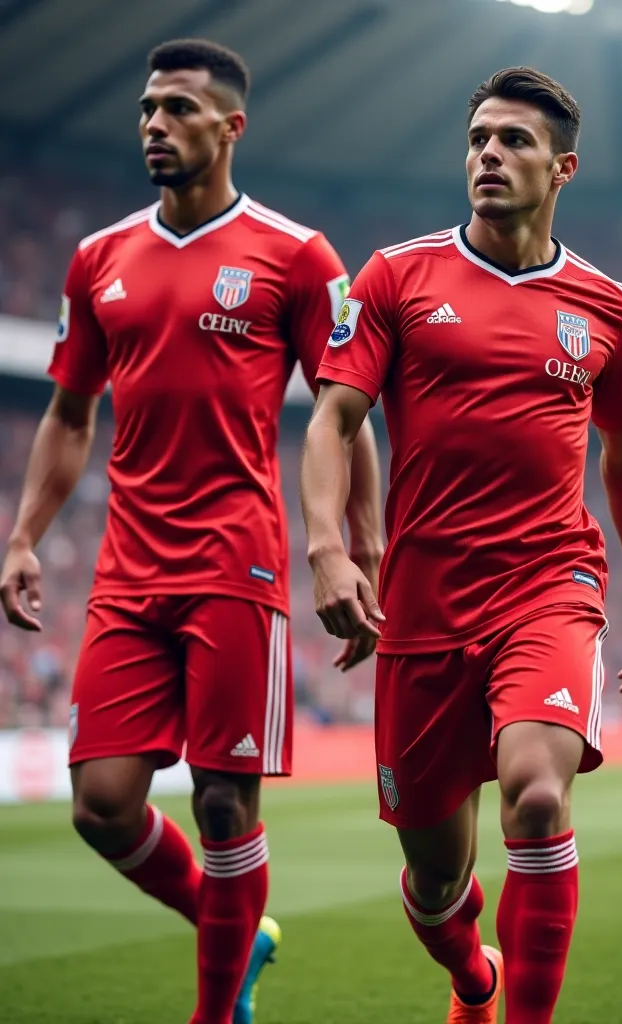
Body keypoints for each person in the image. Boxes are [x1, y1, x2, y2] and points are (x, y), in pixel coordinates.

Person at [0, 38, 382, 1024]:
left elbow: (345, 408)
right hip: (128, 568)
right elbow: (71, 412)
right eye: (146, 111)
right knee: (102, 807)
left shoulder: (298, 256)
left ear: (230, 127)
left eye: (176, 110)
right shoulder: (100, 258)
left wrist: (357, 543)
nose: (154, 128)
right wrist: (23, 535)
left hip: (237, 563)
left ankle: (215, 1013)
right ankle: (240, 928)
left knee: (221, 806)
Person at [300, 66, 622, 1024]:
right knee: (433, 886)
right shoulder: (394, 276)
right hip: (422, 607)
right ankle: (474, 976)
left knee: (538, 801)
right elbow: (334, 419)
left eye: (513, 141)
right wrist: (329, 550)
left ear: (563, 168)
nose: (490, 156)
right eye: (479, 140)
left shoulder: (610, 306)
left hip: (550, 583)